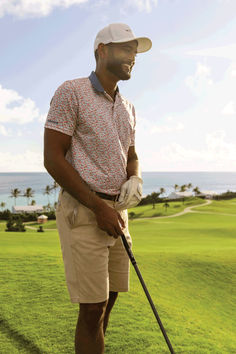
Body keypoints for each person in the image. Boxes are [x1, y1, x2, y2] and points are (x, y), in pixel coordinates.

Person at [44, 23, 152, 354]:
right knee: (91, 309)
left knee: (108, 303)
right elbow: (53, 158)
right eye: (125, 49)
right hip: (85, 212)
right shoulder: (71, 92)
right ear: (101, 50)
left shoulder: (128, 107)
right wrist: (98, 207)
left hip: (116, 215)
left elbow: (131, 154)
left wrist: (135, 177)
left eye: (134, 51)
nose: (132, 57)